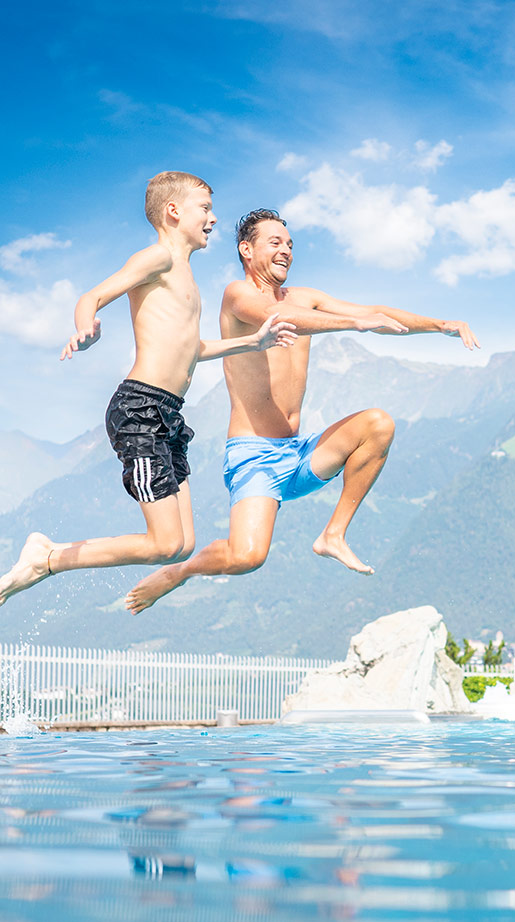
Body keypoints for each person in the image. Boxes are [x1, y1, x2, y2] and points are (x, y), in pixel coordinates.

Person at [125, 208, 479, 613]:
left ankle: (333, 535)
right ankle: (179, 572)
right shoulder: (236, 296)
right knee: (247, 558)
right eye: (275, 242)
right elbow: (281, 318)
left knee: (378, 425)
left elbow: (373, 313)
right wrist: (352, 324)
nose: (286, 251)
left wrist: (440, 324)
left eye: (290, 244)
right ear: (247, 249)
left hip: (299, 453)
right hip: (254, 454)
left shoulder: (305, 298)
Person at [0, 174, 296, 608]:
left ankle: (48, 557)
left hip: (169, 414)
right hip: (140, 407)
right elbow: (93, 296)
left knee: (182, 544)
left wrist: (253, 342)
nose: (213, 218)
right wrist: (87, 326)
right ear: (174, 211)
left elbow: (191, 348)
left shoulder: (187, 279)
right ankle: (47, 558)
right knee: (162, 544)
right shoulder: (158, 257)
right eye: (205, 208)